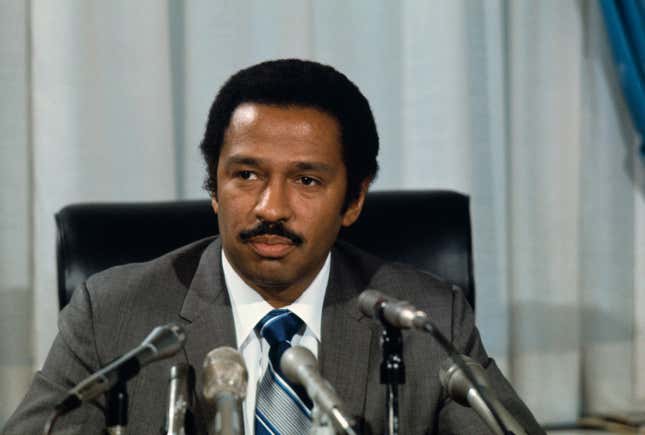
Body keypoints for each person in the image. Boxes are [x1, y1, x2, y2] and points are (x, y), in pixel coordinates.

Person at [3, 59, 544, 434]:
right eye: (245, 175)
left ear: (353, 200)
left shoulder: (424, 320)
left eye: (307, 181)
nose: (270, 208)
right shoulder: (115, 315)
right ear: (214, 189)